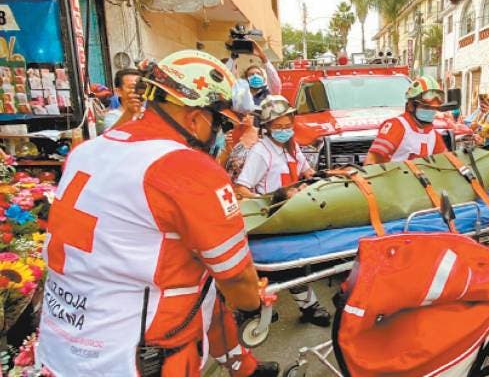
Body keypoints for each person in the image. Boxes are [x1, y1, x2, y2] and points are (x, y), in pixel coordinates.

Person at [38, 50, 279, 377]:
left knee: (201, 284)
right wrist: (253, 304)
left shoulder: (87, 151)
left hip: (62, 340)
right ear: (196, 118)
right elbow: (236, 277)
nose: (221, 135)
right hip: (135, 356)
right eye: (221, 123)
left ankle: (243, 367)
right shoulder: (187, 168)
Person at [234, 95, 331, 327]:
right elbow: (242, 188)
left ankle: (260, 306)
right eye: (278, 127)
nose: (284, 130)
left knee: (297, 263)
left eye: (288, 125)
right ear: (267, 127)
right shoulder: (261, 152)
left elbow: (306, 171)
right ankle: (305, 307)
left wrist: (319, 177)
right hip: (272, 216)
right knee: (289, 264)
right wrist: (268, 202)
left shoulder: (291, 147)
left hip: (293, 212)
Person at [366, 76, 448, 164]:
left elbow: (445, 163)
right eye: (426, 107)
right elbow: (372, 161)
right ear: (411, 105)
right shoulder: (396, 126)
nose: (431, 111)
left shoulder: (434, 135)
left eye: (434, 108)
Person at [244, 43, 282, 107]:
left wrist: (263, 58)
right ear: (246, 79)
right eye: (251, 74)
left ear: (263, 78)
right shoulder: (244, 97)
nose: (255, 76)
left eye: (258, 74)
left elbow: (274, 80)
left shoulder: (270, 93)